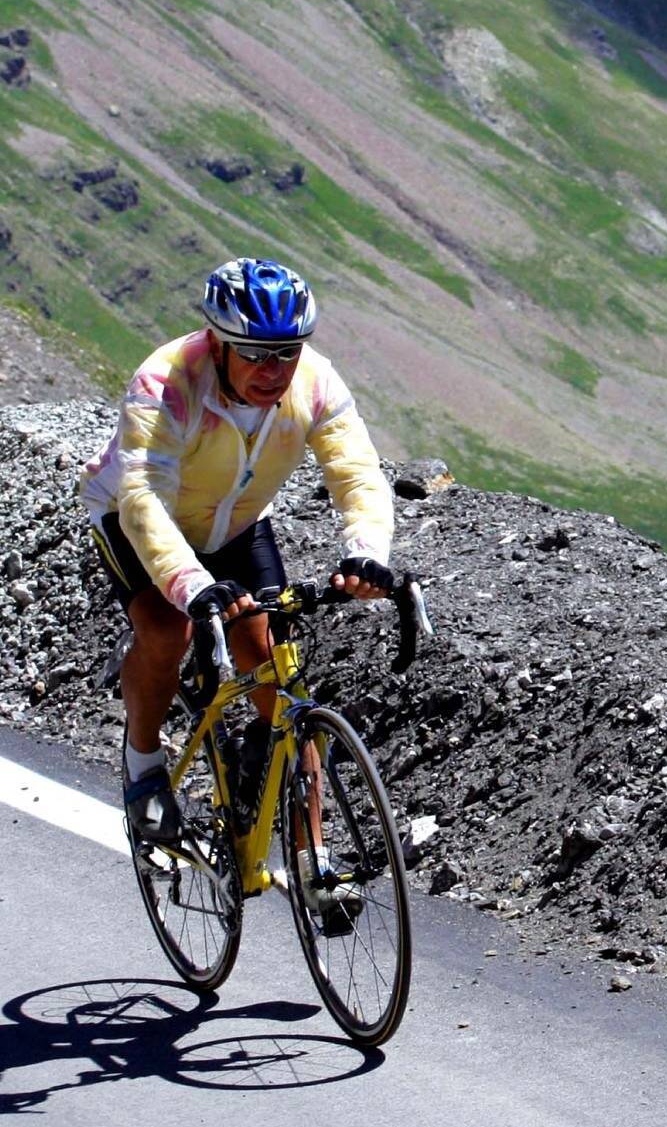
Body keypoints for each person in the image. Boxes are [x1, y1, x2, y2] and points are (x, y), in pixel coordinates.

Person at [81, 256, 418, 846]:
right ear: (218, 344)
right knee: (168, 633)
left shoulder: (314, 382)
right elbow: (142, 502)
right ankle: (142, 770)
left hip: (236, 524)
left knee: (277, 671)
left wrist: (368, 554)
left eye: (286, 352)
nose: (273, 370)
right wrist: (191, 588)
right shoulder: (166, 382)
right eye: (255, 354)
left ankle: (315, 861)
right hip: (135, 519)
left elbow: (358, 474)